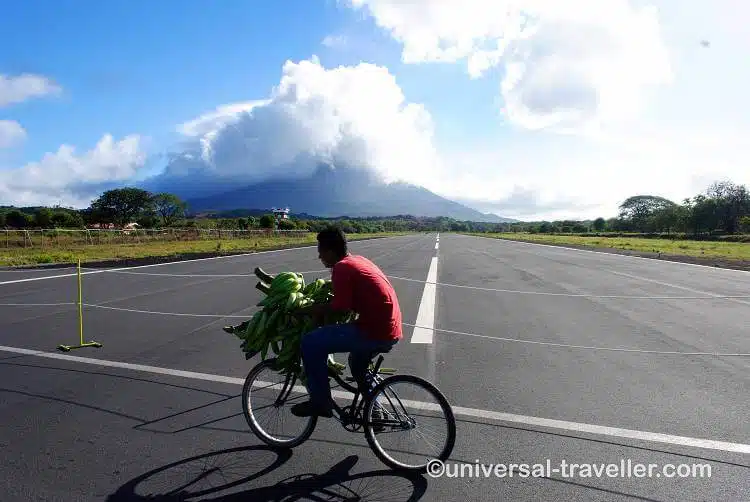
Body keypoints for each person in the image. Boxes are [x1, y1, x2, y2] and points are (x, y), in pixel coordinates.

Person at [290, 227, 403, 418]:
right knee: (357, 364)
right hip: (391, 328)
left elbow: (340, 307)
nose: (319, 257)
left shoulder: (342, 267)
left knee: (310, 343)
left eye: (320, 252)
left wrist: (307, 310)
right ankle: (375, 413)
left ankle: (320, 402)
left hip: (373, 330)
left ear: (330, 251)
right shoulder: (359, 260)